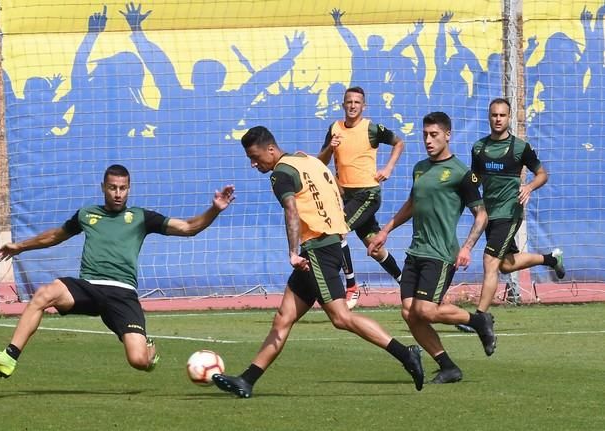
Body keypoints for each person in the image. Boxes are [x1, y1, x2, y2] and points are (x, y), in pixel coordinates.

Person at [212, 126, 424, 398]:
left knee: (341, 317)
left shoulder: (281, 173)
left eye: (255, 157)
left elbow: (291, 209)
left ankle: (405, 353)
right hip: (328, 244)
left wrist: (293, 252)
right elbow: (336, 190)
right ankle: (247, 380)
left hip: (317, 249)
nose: (253, 164)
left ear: (270, 149)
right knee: (283, 318)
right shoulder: (308, 160)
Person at [0, 164, 235, 378]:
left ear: (129, 189)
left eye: (122, 188)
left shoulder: (142, 217)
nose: (118, 193)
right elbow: (55, 236)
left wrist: (214, 209)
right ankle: (9, 356)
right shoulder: (87, 214)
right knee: (43, 294)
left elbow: (189, 227)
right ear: (103, 188)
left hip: (122, 295)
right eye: (113, 188)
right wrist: (20, 246)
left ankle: (149, 350)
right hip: (88, 287)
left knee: (138, 361)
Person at [369, 112, 494, 384]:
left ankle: (478, 321)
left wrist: (467, 247)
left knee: (425, 310)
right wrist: (385, 231)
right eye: (425, 134)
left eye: (434, 134)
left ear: (447, 135)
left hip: (440, 254)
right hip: (416, 252)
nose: (428, 140)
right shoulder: (420, 168)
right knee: (409, 313)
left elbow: (481, 215)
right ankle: (448, 366)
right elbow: (413, 204)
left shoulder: (462, 174)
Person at [472, 98, 564, 312]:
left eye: (502, 115)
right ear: (489, 117)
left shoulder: (520, 148)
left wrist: (529, 187)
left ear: (509, 117)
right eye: (494, 115)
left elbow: (542, 174)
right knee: (504, 263)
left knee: (490, 260)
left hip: (509, 212)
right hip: (489, 214)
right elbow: (475, 178)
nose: (498, 119)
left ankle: (480, 316)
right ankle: (551, 259)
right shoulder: (478, 148)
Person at [317, 86, 404, 309]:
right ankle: (405, 282)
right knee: (374, 247)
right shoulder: (335, 128)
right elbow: (321, 161)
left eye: (357, 102)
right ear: (343, 105)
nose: (353, 106)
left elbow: (399, 142)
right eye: (349, 102)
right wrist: (330, 147)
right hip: (346, 196)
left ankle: (352, 287)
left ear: (363, 106)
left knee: (337, 231)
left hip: (368, 194)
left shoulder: (371, 128)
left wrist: (388, 168)